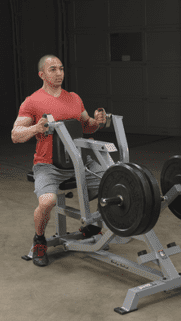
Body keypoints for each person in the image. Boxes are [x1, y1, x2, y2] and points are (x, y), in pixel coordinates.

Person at [11, 54, 107, 267]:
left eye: (61, 69)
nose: (59, 73)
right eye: (53, 69)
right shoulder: (32, 101)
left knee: (113, 182)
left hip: (79, 162)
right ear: (42, 75)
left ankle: (91, 226)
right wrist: (36, 128)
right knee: (47, 202)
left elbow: (87, 125)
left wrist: (97, 122)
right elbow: (15, 135)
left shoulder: (73, 97)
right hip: (48, 166)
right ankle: (39, 240)